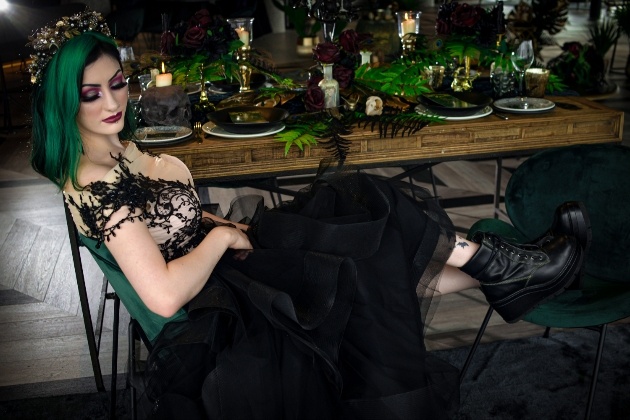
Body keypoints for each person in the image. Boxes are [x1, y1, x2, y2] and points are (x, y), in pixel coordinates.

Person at [29, 10, 589, 419]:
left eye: (118, 84)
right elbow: (164, 296)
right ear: (63, 101)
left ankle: (511, 269)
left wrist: (220, 227)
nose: (112, 102)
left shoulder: (111, 153)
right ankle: (509, 268)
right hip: (222, 304)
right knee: (365, 224)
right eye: (91, 93)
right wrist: (222, 239)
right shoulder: (96, 184)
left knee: (363, 215)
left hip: (231, 258)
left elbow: (170, 223)